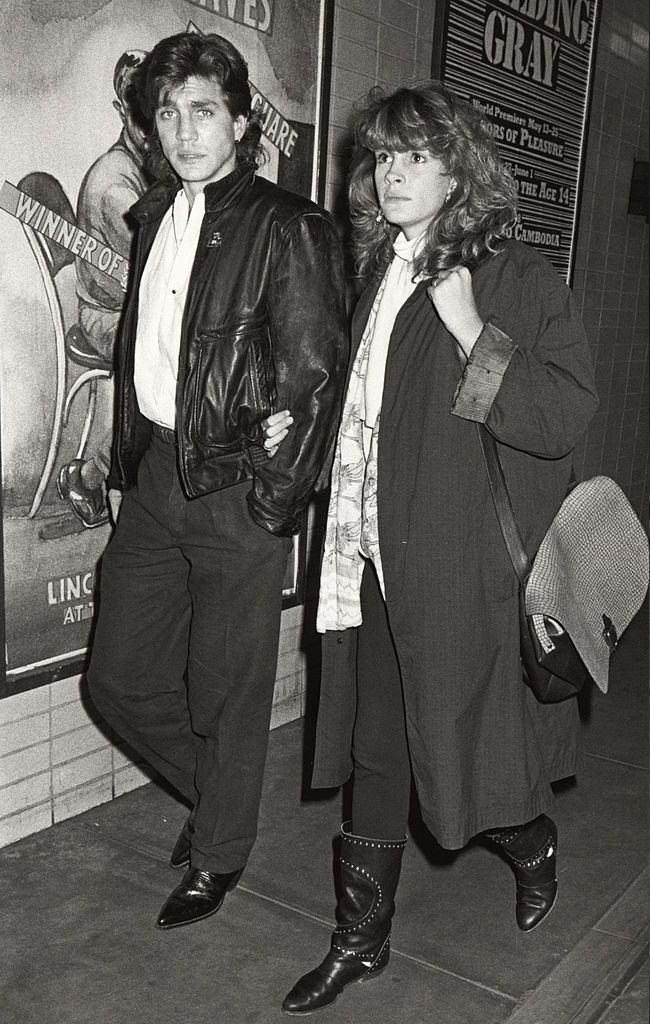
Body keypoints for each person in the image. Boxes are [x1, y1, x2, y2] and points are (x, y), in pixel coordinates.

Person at [264, 82, 598, 1015]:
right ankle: (358, 940)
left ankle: (531, 844)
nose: (393, 173)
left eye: (416, 155)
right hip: (370, 564)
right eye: (383, 157)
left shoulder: (516, 279)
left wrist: (468, 329)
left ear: (461, 170)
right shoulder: (377, 270)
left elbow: (563, 414)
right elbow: (371, 410)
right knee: (381, 752)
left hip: (461, 574)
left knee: (465, 754)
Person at [86, 32, 347, 931]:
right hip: (161, 471)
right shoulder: (156, 213)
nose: (185, 128)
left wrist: (271, 501)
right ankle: (220, 798)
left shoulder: (289, 225)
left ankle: (221, 852)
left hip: (239, 486)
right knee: (117, 676)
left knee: (227, 685)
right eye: (168, 112)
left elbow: (315, 380)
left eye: (203, 109)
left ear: (241, 119)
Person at [57, 50, 151, 528]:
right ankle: (94, 477)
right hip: (106, 318)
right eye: (141, 110)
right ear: (121, 111)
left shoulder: (139, 168)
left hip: (123, 309)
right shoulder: (116, 185)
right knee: (165, 359)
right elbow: (157, 275)